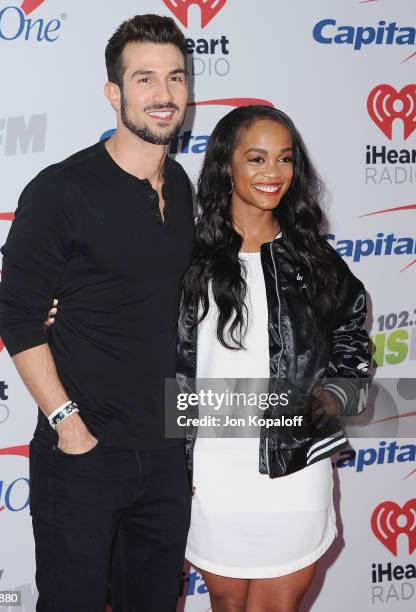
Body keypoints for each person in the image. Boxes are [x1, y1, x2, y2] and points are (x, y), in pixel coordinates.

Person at [0, 14, 195, 612]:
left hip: (164, 452)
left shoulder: (182, 187)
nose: (163, 96)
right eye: (145, 79)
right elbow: (18, 317)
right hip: (83, 454)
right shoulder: (61, 191)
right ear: (115, 93)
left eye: (176, 78)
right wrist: (70, 428)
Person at [176, 105, 370, 612]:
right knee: (225, 600)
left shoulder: (314, 259)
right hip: (210, 469)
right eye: (256, 158)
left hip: (293, 466)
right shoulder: (183, 254)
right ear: (226, 166)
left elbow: (352, 341)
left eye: (284, 159)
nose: (273, 173)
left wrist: (326, 401)